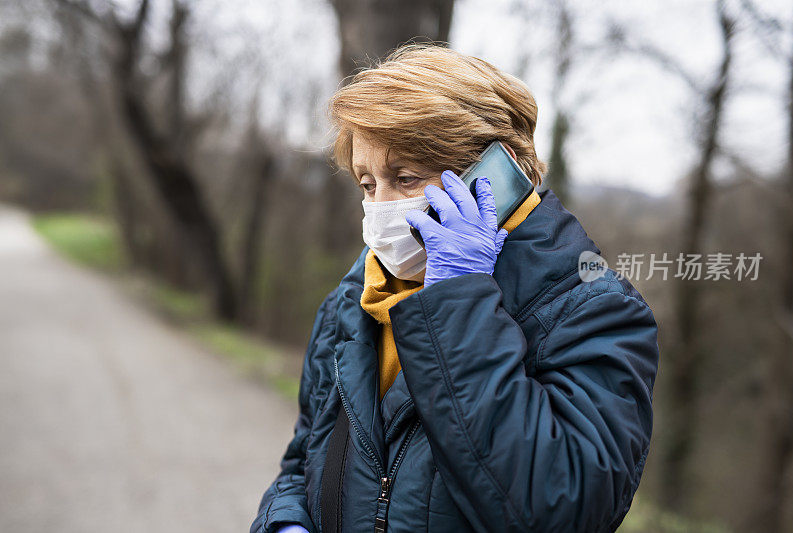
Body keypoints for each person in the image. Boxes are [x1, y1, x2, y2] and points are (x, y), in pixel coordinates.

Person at [250, 43, 659, 533]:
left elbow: (560, 508)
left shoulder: (596, 311)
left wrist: (459, 305)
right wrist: (285, 521)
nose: (380, 207)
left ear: (496, 174)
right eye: (366, 183)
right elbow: (303, 460)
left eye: (404, 178)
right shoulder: (354, 298)